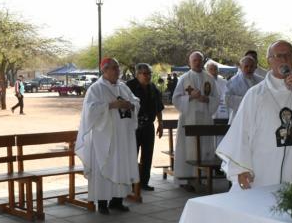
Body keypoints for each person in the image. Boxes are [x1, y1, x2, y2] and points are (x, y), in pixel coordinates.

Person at [216, 40, 292, 190]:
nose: (283, 59)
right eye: (278, 56)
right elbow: (241, 132)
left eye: (288, 55)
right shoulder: (255, 94)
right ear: (269, 61)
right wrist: (240, 168)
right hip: (262, 169)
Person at [76, 58, 139, 214]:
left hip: (122, 136)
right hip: (104, 138)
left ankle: (117, 201)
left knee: (120, 166)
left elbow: (136, 101)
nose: (118, 71)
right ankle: (102, 202)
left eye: (118, 68)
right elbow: (90, 110)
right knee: (104, 165)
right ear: (104, 70)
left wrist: (130, 105)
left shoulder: (123, 87)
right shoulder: (96, 89)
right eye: (114, 68)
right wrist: (111, 105)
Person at [172, 51, 220, 186]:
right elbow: (175, 99)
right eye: (195, 61)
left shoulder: (209, 78)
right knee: (188, 147)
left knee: (205, 148)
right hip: (189, 119)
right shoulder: (184, 78)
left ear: (203, 61)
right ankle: (187, 177)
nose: (198, 63)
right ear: (190, 62)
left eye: (200, 60)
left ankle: (203, 177)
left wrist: (207, 99)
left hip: (205, 118)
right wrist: (190, 97)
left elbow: (216, 98)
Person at [127, 63, 164, 191]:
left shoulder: (153, 88)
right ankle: (131, 183)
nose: (148, 76)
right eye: (145, 73)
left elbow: (158, 107)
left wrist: (161, 123)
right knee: (132, 155)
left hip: (149, 126)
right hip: (133, 127)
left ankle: (144, 182)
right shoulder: (128, 87)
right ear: (137, 74)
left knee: (147, 155)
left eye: (149, 73)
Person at [225, 55, 261, 123]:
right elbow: (227, 99)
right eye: (246, 66)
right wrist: (248, 100)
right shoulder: (233, 82)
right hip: (239, 116)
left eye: (251, 66)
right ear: (241, 67)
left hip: (256, 117)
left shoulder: (261, 81)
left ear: (255, 67)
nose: (249, 69)